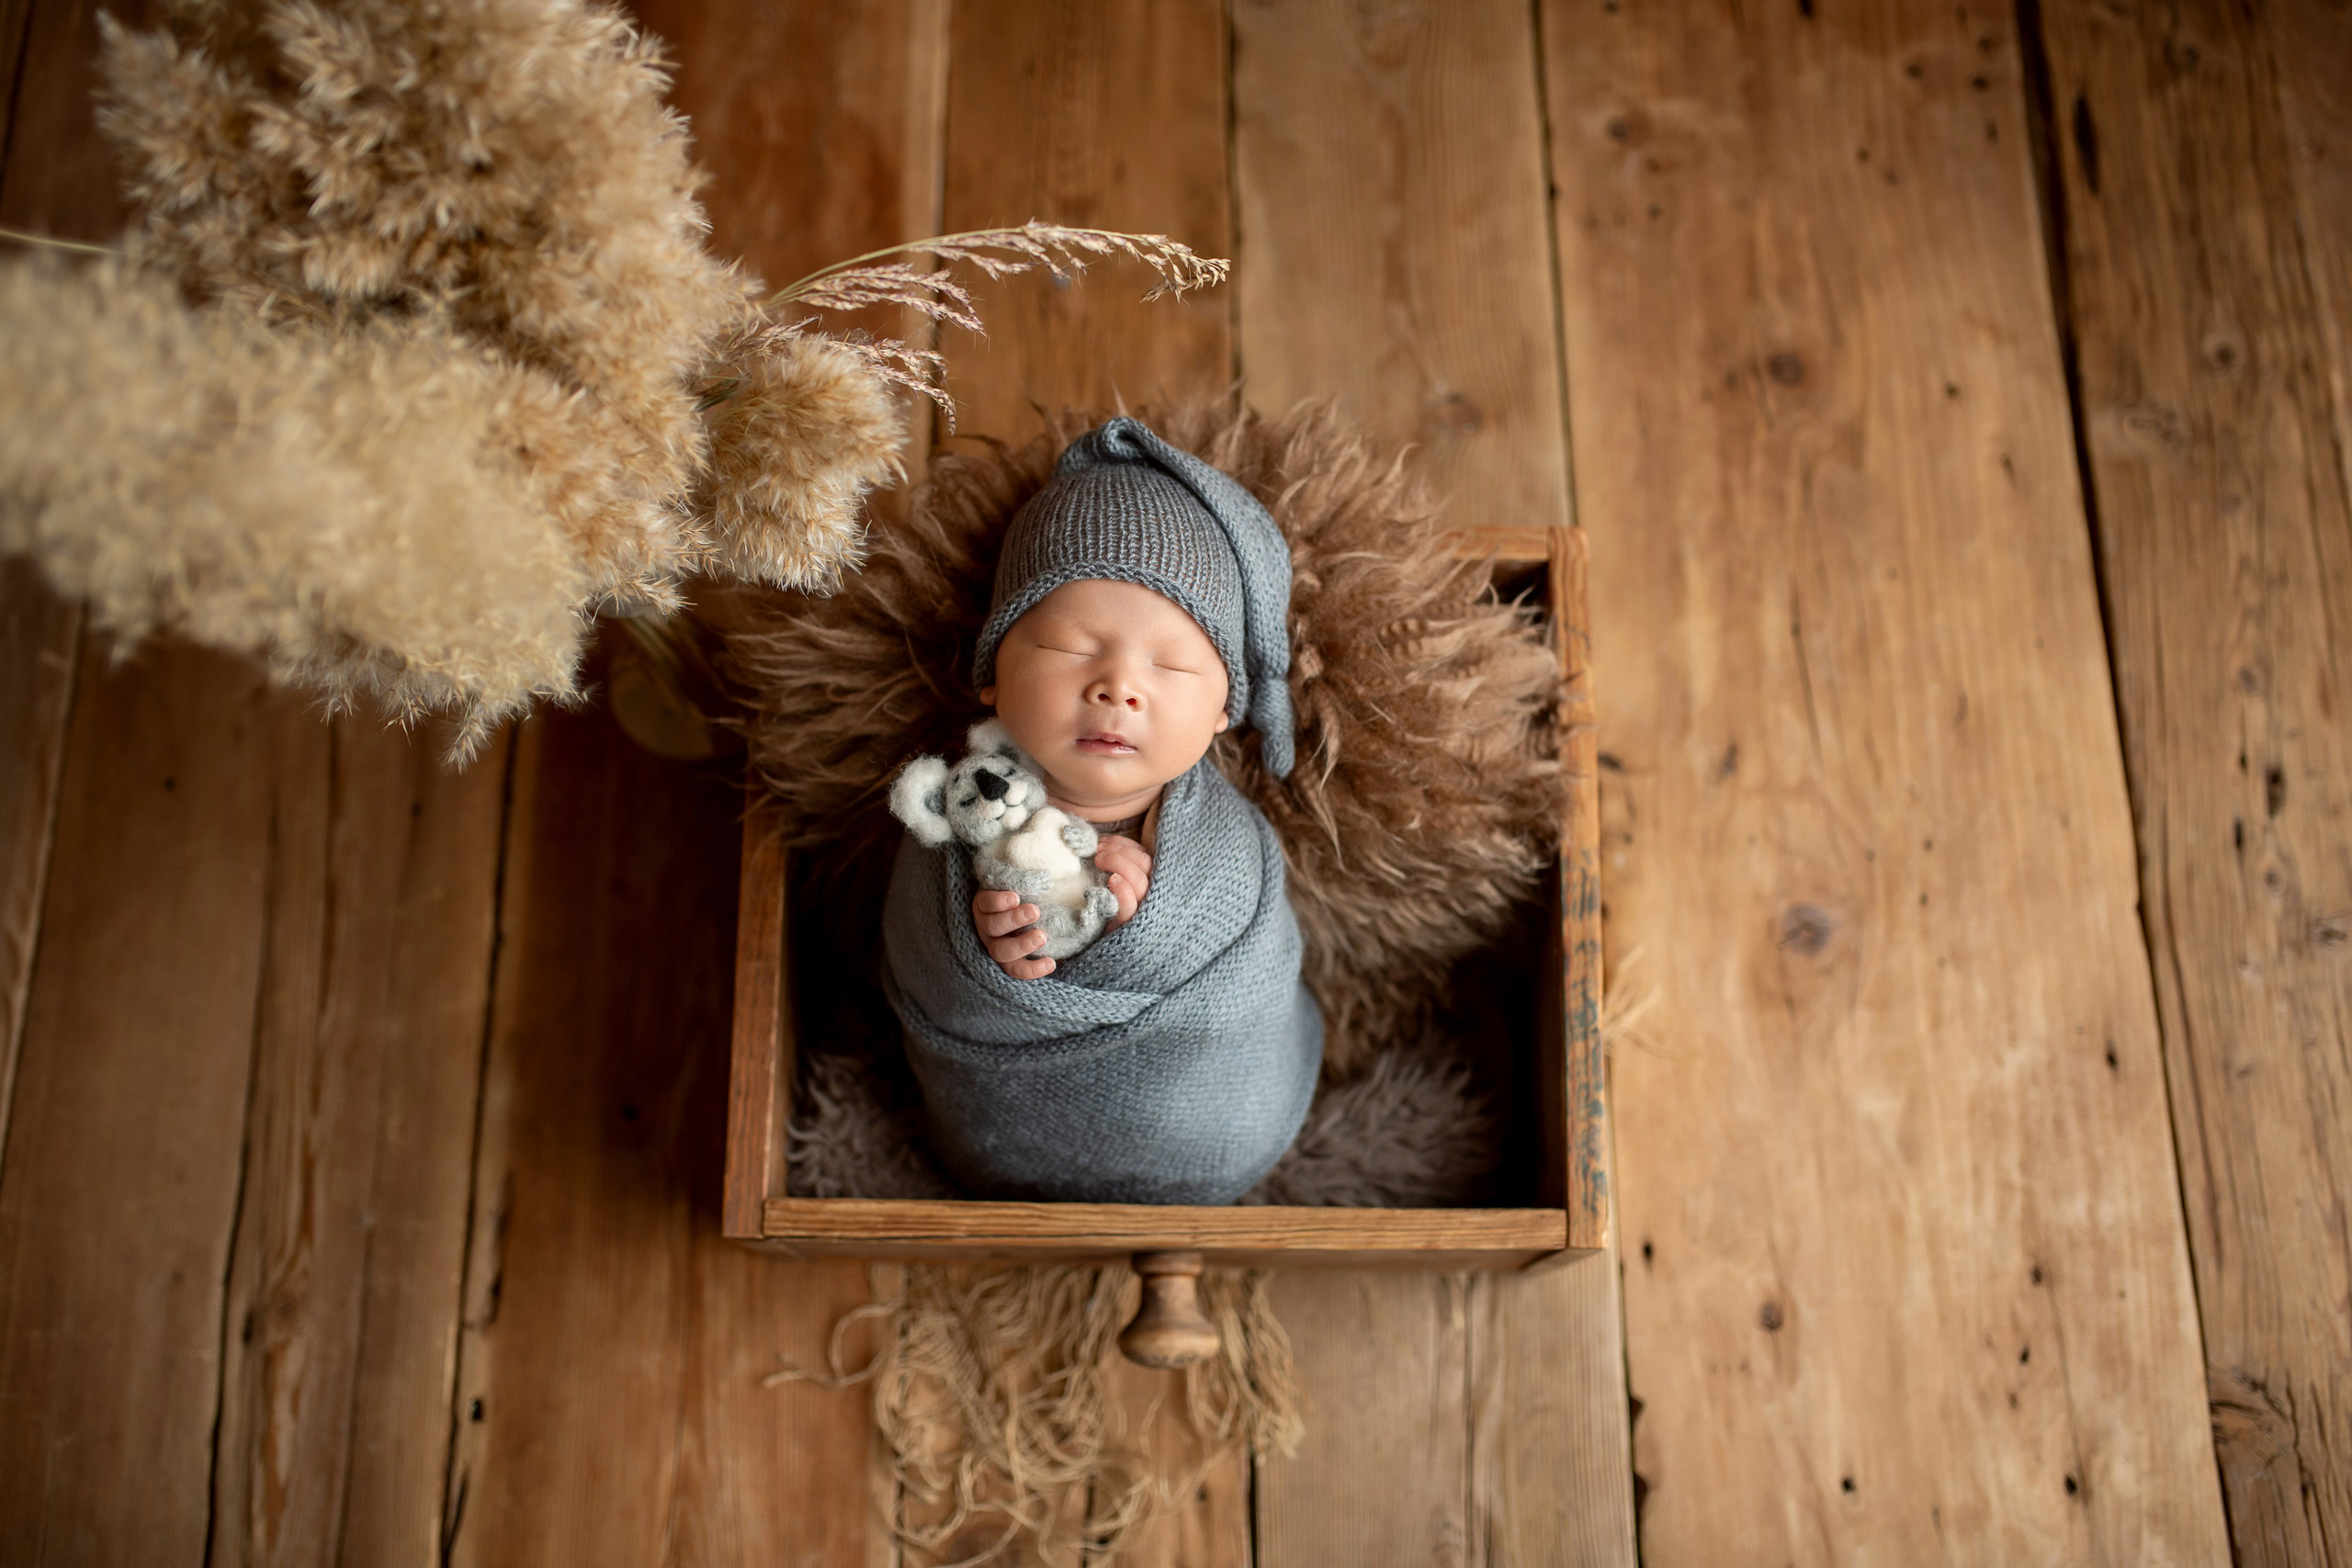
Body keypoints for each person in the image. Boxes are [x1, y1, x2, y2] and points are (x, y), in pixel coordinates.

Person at [879, 417, 1324, 1204]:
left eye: (1173, 662)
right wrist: (990, 959)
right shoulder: (959, 819)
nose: (1118, 685)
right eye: (1072, 646)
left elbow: (1249, 987)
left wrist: (1151, 931)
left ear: (1224, 709)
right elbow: (923, 956)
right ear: (991, 669)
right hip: (1007, 1137)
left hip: (1208, 1125)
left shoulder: (1230, 854)